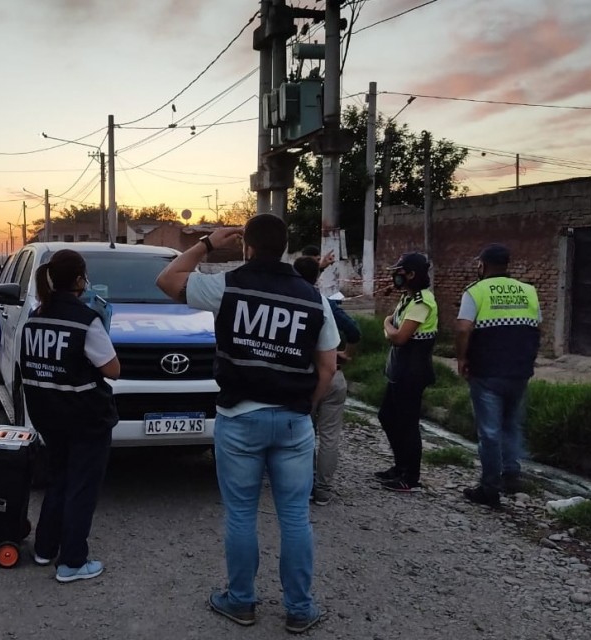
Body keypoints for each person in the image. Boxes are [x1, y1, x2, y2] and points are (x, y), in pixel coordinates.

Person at [156, 215, 338, 634]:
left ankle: (241, 602)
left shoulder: (228, 287)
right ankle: (299, 609)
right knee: (295, 517)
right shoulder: (314, 298)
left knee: (241, 515)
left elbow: (167, 280)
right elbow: (327, 367)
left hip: (239, 419)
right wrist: (304, 406)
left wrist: (206, 243)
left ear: (247, 247)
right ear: (285, 247)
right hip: (293, 422)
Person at [21, 249, 121, 583]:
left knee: (59, 479)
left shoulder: (36, 316)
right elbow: (113, 369)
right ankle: (73, 562)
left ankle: (45, 548)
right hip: (86, 418)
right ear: (80, 280)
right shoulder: (86, 320)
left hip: (47, 414)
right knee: (82, 488)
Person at [455, 243, 541, 509]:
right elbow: (537, 326)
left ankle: (489, 488)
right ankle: (511, 474)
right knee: (511, 423)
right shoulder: (528, 291)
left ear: (483, 265)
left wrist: (462, 358)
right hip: (519, 369)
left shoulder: (475, 291)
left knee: (490, 431)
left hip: (487, 371)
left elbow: (463, 328)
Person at [293, 256, 361, 506]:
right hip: (333, 376)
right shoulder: (326, 303)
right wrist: (344, 354)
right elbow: (354, 332)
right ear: (317, 278)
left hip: (306, 379)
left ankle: (305, 484)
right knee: (330, 437)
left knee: (304, 433)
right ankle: (323, 489)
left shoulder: (290, 303)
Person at [375, 252, 438, 493]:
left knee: (407, 423)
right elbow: (393, 328)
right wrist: (390, 328)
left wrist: (386, 325)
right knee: (387, 416)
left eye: (400, 272)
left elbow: (399, 336)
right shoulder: (408, 298)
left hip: (412, 372)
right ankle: (400, 466)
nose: (396, 276)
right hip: (399, 369)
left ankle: (410, 476)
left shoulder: (422, 302)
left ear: (412, 274)